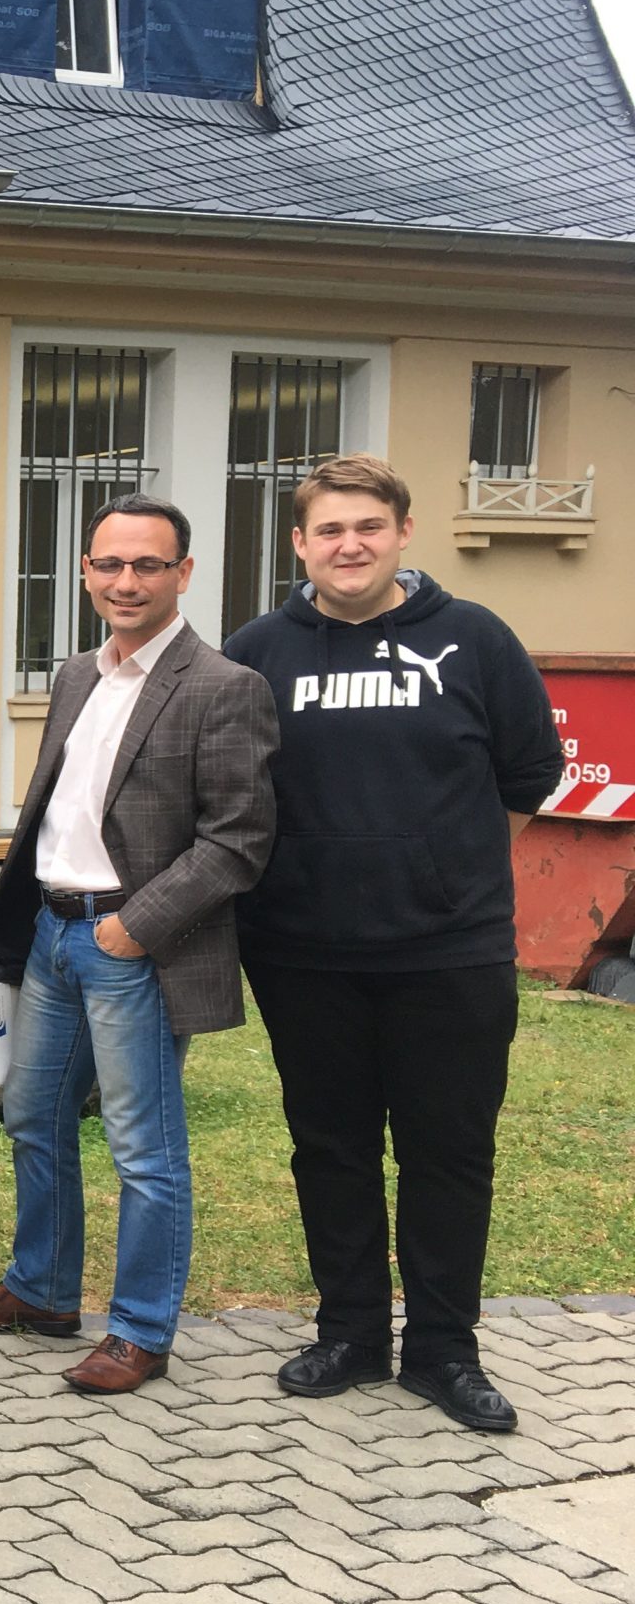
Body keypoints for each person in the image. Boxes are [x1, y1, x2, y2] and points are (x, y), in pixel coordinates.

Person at [224, 454, 563, 1433]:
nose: (350, 545)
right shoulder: (258, 652)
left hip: (448, 956)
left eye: (368, 526)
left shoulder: (474, 639)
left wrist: (445, 869)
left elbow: (528, 775)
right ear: (299, 543)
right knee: (329, 1150)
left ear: (403, 532)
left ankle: (445, 1349)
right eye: (329, 530)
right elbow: (231, 789)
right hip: (302, 955)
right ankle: (351, 1334)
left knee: (447, 1154)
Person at [0, 494, 277, 1395]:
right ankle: (44, 1292)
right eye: (109, 564)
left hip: (135, 945)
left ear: (183, 574)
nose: (127, 581)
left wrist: (135, 928)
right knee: (31, 1117)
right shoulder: (78, 675)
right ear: (86, 572)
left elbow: (239, 839)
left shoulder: (223, 686)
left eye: (147, 565)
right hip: (52, 934)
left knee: (142, 1148)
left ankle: (141, 1332)